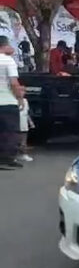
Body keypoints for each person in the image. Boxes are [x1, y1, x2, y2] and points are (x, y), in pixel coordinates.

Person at [0, 36, 25, 169]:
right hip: (7, 101)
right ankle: (7, 158)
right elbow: (14, 83)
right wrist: (20, 98)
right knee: (10, 132)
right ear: (5, 45)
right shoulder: (8, 61)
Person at [17, 97, 33, 162]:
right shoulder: (13, 100)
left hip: (24, 123)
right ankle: (14, 155)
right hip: (16, 123)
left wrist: (30, 122)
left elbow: (26, 112)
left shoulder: (25, 100)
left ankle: (24, 155)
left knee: (23, 141)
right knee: (15, 141)